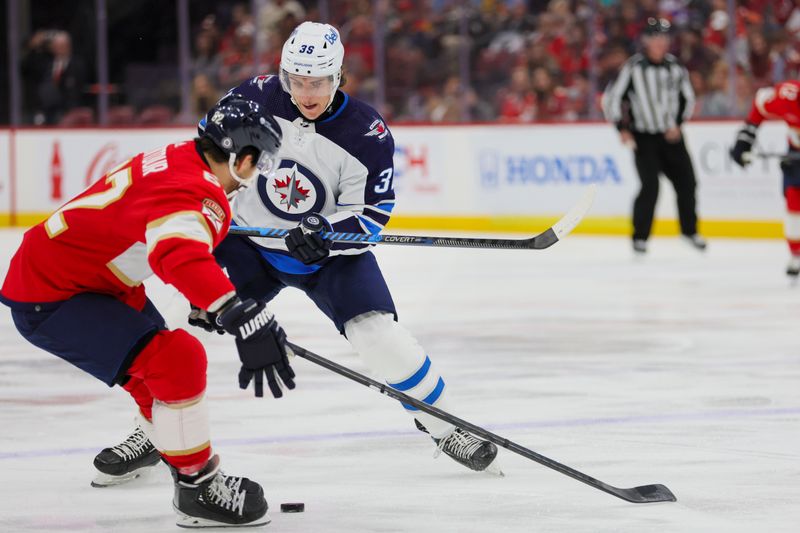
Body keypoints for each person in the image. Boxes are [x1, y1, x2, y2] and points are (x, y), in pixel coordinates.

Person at [97, 21, 501, 485]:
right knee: (186, 321)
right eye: (298, 81)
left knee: (378, 335)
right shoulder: (255, 96)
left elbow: (371, 213)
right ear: (284, 75)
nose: (307, 92)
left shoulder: (366, 133)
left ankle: (445, 425)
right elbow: (206, 157)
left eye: (319, 82)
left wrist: (327, 229)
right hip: (246, 242)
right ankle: (153, 432)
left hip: (325, 256)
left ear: (339, 76)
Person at [0, 98, 291, 528]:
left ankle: (163, 439)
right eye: (256, 164)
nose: (252, 177)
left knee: (158, 371)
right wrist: (233, 310)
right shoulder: (195, 190)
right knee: (177, 359)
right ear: (238, 157)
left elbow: (159, 231)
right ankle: (197, 487)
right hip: (56, 294)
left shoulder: (180, 157)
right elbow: (176, 253)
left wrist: (203, 298)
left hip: (82, 273)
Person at [602, 17, 707, 255]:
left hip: (671, 136)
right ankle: (640, 237)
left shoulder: (675, 67)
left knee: (687, 183)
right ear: (646, 41)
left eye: (664, 37)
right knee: (650, 186)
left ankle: (689, 231)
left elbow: (687, 98)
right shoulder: (633, 67)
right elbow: (612, 99)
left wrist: (678, 125)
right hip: (644, 137)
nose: (660, 42)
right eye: (655, 37)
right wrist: (622, 128)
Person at [729, 80, 800, 277]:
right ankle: (796, 255)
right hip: (796, 151)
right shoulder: (785, 98)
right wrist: (744, 141)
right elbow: (760, 105)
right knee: (794, 200)